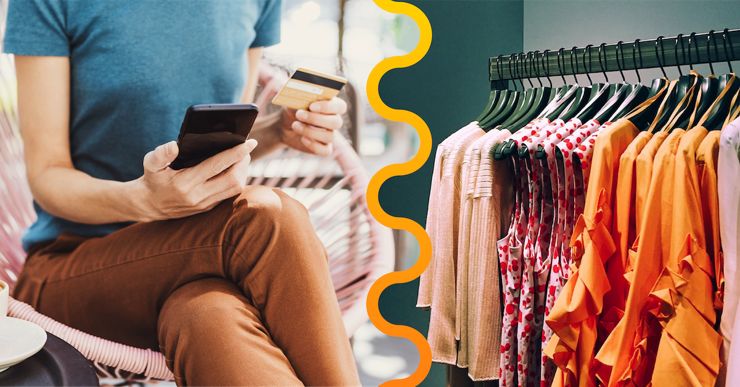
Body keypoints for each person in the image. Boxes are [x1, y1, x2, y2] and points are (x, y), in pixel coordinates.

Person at [3, 0, 362, 385]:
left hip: (203, 258)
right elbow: (47, 174)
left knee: (207, 314)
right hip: (71, 267)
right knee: (269, 217)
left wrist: (277, 131)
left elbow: (221, 139)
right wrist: (142, 199)